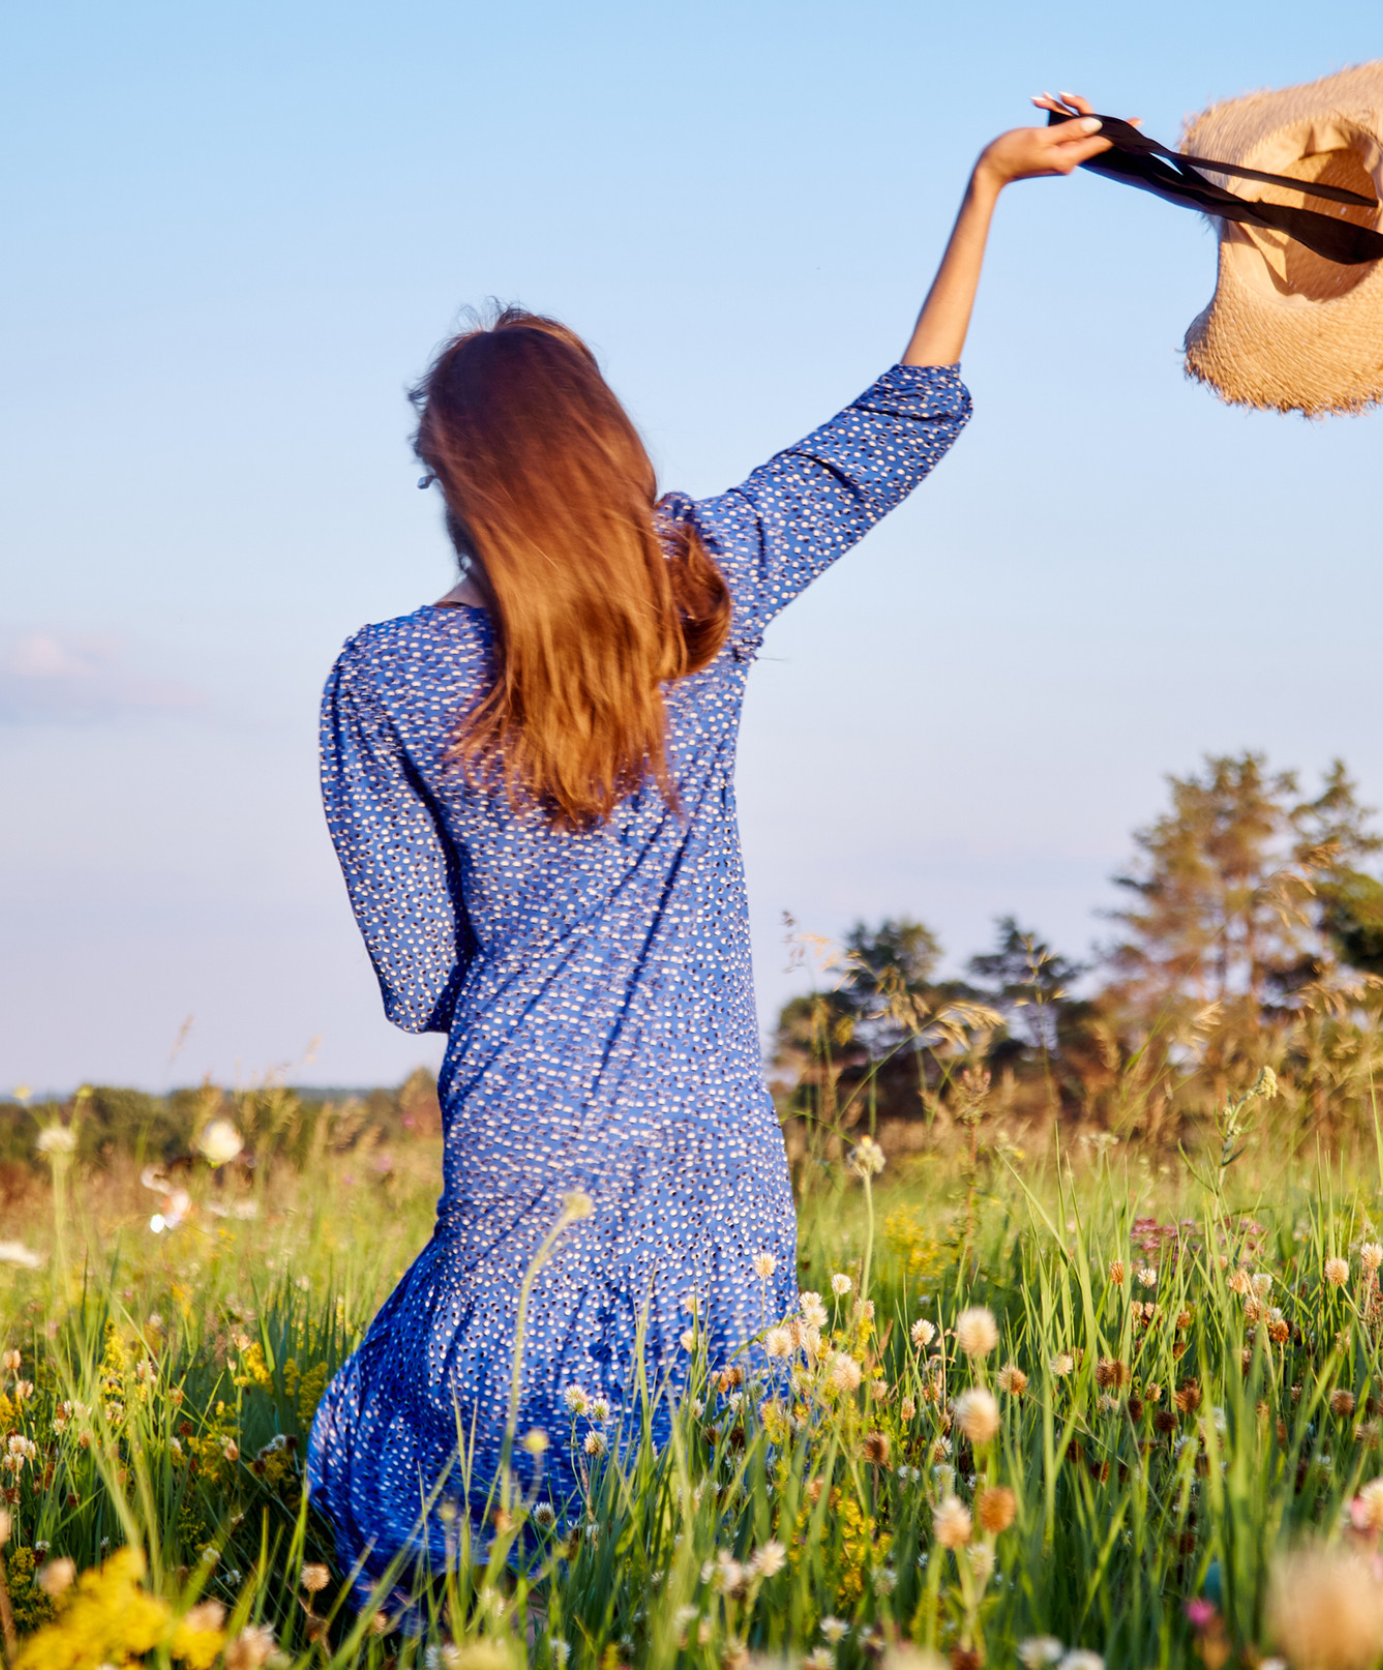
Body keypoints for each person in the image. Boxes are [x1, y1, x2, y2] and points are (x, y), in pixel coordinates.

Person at [305, 94, 1113, 1593]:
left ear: (458, 483)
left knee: (467, 1477)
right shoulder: (706, 595)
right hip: (712, 1144)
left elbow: (419, 978)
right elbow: (898, 422)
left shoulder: (379, 678)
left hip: (522, 1134)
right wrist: (989, 186)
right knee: (709, 1493)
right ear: (605, 449)